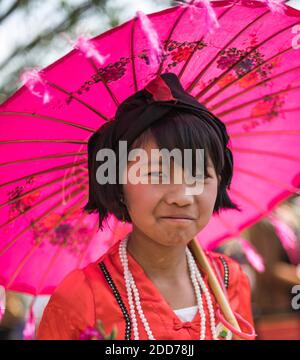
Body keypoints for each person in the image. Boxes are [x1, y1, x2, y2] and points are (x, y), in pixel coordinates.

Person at [37, 72, 254, 340]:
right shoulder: (82, 299)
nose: (182, 197)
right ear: (119, 184)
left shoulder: (230, 279)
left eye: (198, 175)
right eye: (156, 174)